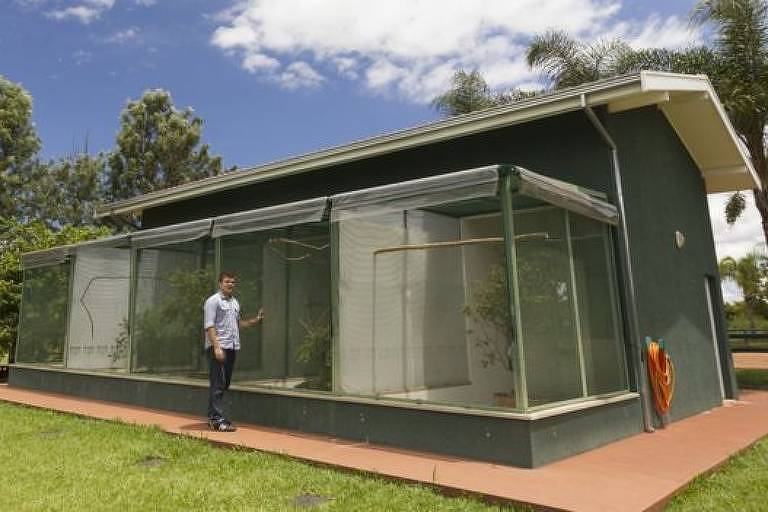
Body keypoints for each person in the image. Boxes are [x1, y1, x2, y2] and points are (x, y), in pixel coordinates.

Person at [203, 271, 264, 432]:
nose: (230, 284)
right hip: (219, 347)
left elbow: (239, 324)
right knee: (218, 383)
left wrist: (255, 321)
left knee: (224, 383)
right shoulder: (213, 301)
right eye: (227, 281)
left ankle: (212, 416)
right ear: (220, 283)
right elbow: (209, 326)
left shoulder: (234, 302)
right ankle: (217, 420)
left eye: (233, 282)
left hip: (231, 347)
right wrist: (216, 347)